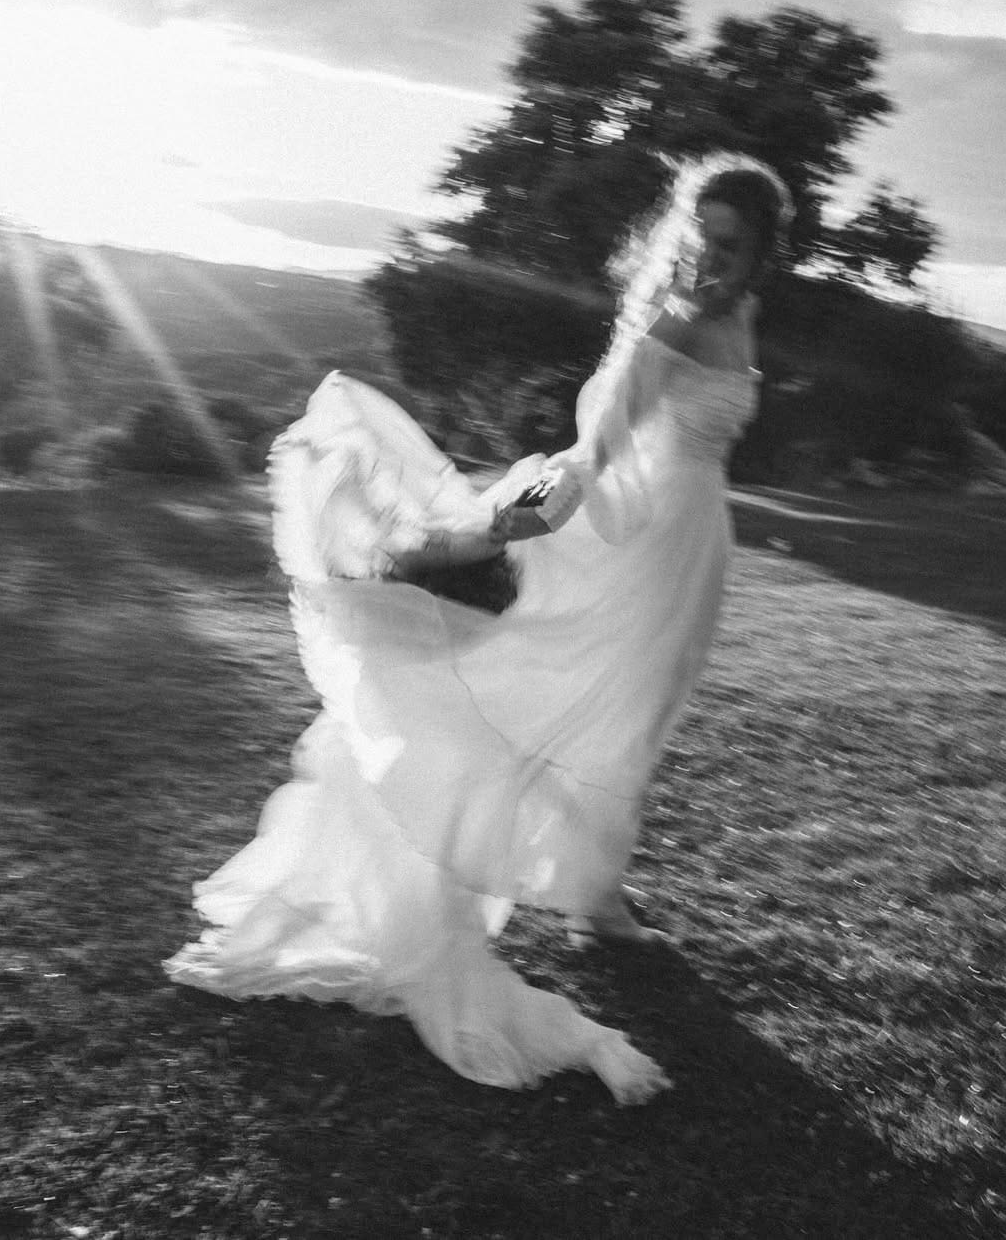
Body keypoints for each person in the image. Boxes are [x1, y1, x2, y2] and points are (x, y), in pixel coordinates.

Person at [164, 152, 793, 1106]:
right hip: (633, 550)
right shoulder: (675, 317)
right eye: (701, 238)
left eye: (732, 247)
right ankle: (547, 890)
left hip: (692, 546)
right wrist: (539, 505)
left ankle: (595, 895)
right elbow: (603, 436)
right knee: (559, 708)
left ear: (762, 255)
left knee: (639, 719)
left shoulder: (738, 313)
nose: (711, 258)